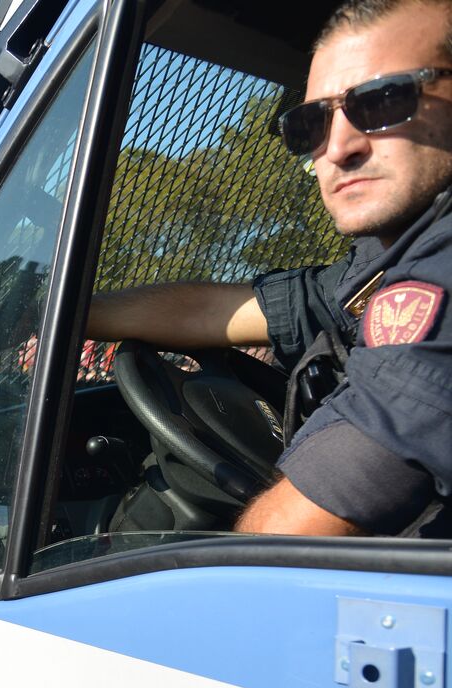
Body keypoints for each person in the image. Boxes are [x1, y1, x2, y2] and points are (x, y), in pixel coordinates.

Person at [88, 0, 452, 538]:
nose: (337, 147)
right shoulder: (386, 263)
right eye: (312, 124)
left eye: (382, 100)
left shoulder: (439, 277)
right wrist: (67, 316)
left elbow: (281, 541)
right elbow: (227, 309)